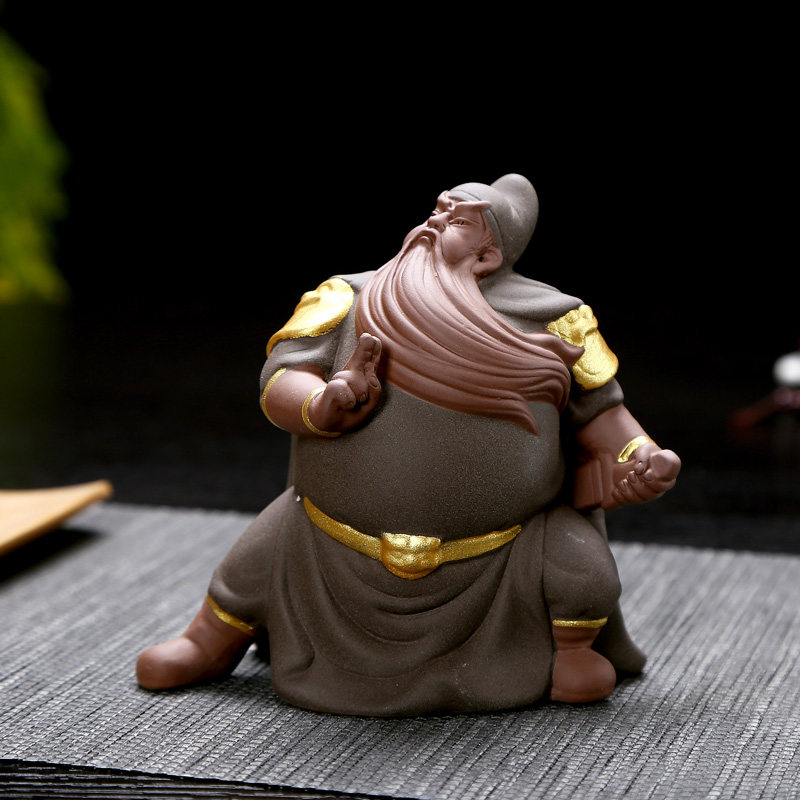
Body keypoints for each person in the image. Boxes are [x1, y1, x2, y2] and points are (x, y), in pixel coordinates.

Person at [136, 174, 680, 715]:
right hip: (329, 535)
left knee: (584, 572)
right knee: (252, 559)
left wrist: (641, 456)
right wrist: (322, 403)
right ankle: (209, 640)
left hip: (508, 550)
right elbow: (281, 379)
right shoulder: (346, 297)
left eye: (457, 220)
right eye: (438, 209)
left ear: (489, 255)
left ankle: (571, 649)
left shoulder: (558, 319)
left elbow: (603, 414)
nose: (434, 223)